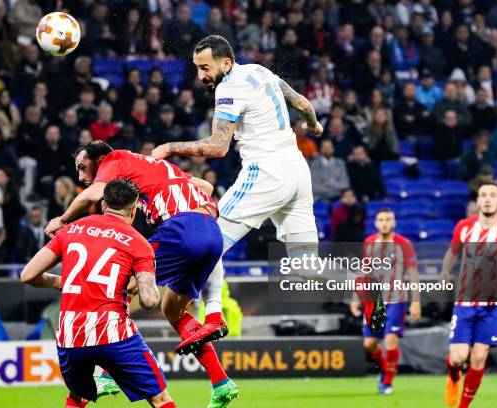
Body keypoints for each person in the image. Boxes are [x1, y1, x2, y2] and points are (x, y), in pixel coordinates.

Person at [151, 35, 384, 348]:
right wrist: (314, 126)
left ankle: (214, 316)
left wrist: (169, 147)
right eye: (197, 68)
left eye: (205, 68)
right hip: (298, 173)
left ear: (226, 63)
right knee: (304, 265)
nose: (201, 76)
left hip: (266, 173)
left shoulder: (229, 87)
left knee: (208, 240)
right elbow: (303, 103)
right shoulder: (261, 72)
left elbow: (218, 148)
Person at [44, 142, 238, 407]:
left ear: (101, 159)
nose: (81, 176)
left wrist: (63, 220)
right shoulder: (159, 168)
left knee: (120, 283)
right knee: (173, 310)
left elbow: (91, 195)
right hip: (211, 232)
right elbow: (206, 187)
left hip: (180, 230)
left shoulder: (115, 159)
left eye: (82, 167)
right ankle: (221, 383)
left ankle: (108, 373)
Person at [22, 179, 175, 408]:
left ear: (104, 205)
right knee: (160, 399)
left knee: (76, 397)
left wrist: (57, 282)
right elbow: (149, 300)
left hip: (70, 334)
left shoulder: (71, 229)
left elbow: (27, 275)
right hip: (112, 333)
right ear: (134, 210)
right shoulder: (138, 243)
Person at [441, 181, 497, 408]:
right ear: (478, 200)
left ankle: (463, 406)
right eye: (483, 195)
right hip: (465, 301)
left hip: (494, 305)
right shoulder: (464, 227)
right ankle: (453, 375)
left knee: (479, 356)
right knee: (458, 357)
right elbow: (452, 252)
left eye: (492, 195)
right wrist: (446, 271)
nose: (487, 199)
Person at [351, 208, 421, 395]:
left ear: (394, 222)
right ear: (375, 223)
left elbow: (413, 274)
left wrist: (416, 302)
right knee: (370, 345)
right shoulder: (369, 243)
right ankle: (385, 369)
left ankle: (387, 382)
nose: (384, 223)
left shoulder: (404, 244)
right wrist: (355, 298)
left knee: (391, 340)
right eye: (381, 219)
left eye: (388, 219)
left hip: (397, 299)